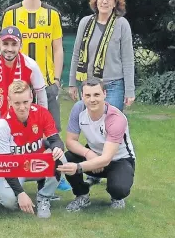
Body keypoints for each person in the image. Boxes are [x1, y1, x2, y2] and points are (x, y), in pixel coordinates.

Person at [68, 0, 135, 186]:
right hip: (90, 85)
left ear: (115, 3)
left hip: (114, 84)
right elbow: (77, 53)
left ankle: (113, 168)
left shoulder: (121, 24)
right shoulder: (85, 23)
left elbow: (128, 58)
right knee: (92, 126)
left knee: (108, 128)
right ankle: (93, 170)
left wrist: (130, 89)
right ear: (95, 0)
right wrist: (72, 83)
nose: (104, 1)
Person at [1, 0, 63, 132]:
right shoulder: (10, 14)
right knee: (16, 132)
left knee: (51, 133)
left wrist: (56, 80)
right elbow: (4, 50)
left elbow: (58, 49)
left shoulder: (53, 15)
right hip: (18, 84)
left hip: (47, 82)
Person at [57, 78, 136, 212]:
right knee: (67, 158)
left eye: (97, 95)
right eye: (87, 95)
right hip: (93, 154)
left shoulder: (115, 118)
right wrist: (89, 154)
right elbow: (70, 141)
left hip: (118, 159)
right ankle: (82, 195)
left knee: (119, 188)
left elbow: (106, 159)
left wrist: (78, 167)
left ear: (105, 94)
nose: (92, 99)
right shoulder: (79, 108)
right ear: (82, 96)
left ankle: (117, 197)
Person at [0, 80, 65, 219]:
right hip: (14, 168)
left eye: (25, 102)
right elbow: (5, 165)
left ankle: (44, 197)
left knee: (61, 157)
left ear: (31, 97)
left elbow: (56, 140)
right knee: (9, 201)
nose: (22, 107)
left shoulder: (42, 113)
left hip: (35, 164)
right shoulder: (2, 125)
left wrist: (57, 148)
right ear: (9, 101)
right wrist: (20, 193)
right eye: (17, 103)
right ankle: (12, 192)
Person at [0, 26, 47, 120]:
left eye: (14, 44)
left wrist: (41, 120)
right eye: (5, 44)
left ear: (20, 46)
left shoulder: (31, 66)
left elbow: (41, 96)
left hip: (22, 120)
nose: (9, 49)